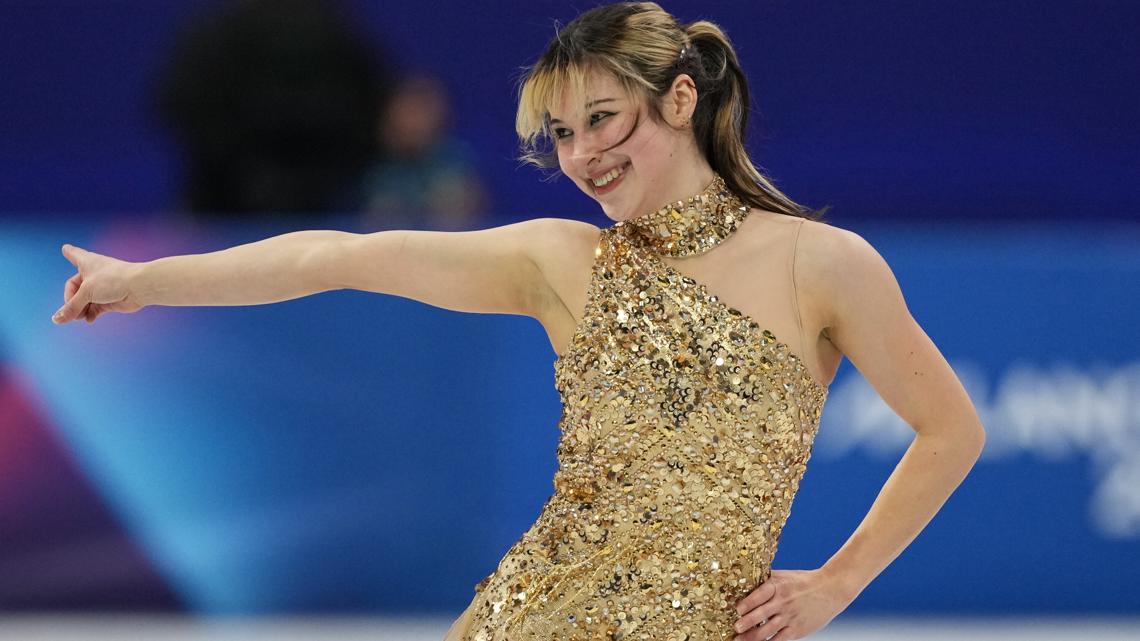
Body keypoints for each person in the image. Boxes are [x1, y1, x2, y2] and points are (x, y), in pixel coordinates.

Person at [52, 3, 986, 640]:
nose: (580, 155)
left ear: (681, 100)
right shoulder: (559, 262)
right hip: (533, 613)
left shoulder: (821, 263)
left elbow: (952, 429)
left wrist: (838, 581)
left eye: (602, 119)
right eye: (562, 135)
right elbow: (333, 256)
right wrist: (140, 280)